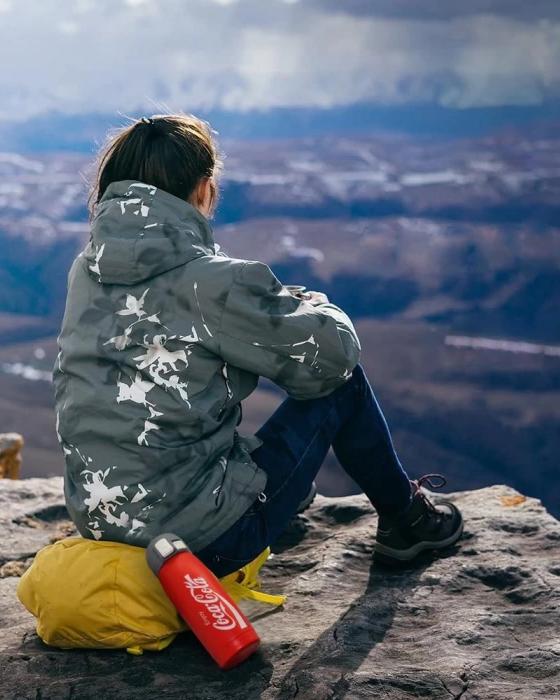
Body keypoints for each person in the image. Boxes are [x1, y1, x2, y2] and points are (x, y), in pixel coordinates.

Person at [53, 114, 464, 576]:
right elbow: (332, 355)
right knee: (342, 386)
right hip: (200, 545)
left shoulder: (86, 269)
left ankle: (272, 493)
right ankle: (408, 522)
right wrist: (313, 303)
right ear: (204, 188)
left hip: (103, 524)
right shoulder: (213, 282)